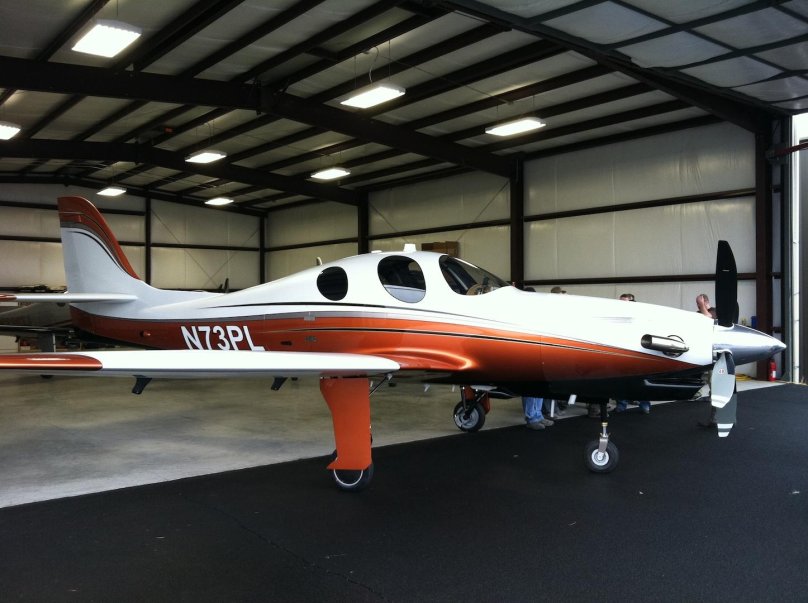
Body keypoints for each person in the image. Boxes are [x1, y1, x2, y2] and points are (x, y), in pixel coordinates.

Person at [614, 292, 651, 414]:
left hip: (638, 353)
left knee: (640, 381)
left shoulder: (641, 317)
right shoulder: (616, 317)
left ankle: (645, 405)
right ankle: (621, 405)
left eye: (624, 302)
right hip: (620, 353)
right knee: (619, 380)